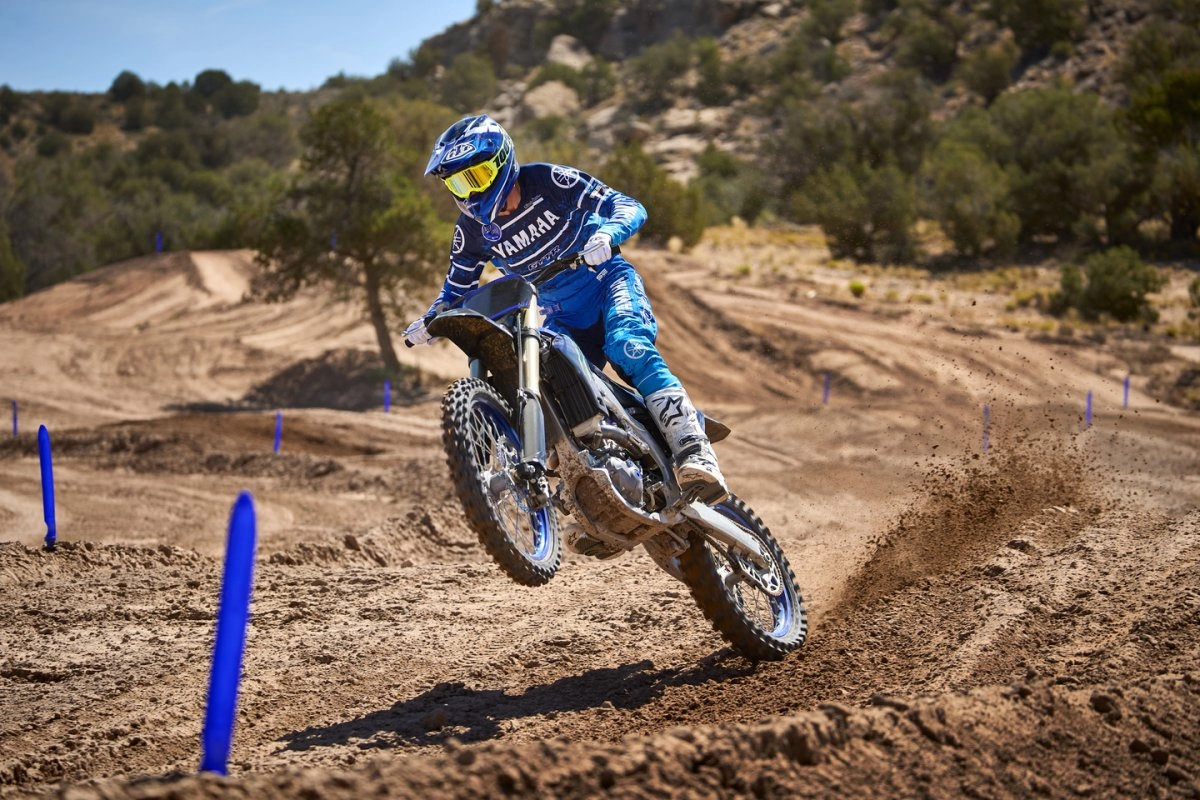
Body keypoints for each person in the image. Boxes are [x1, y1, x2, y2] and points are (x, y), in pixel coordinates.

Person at [404, 113, 728, 507]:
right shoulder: (471, 231)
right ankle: (591, 487)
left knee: (628, 346)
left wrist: (608, 233)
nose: (469, 192)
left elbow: (626, 205)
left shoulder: (548, 181)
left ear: (502, 162)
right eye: (458, 183)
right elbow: (455, 290)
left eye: (477, 177)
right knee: (550, 384)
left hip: (607, 283)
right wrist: (430, 320)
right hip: (561, 315)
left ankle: (693, 449)